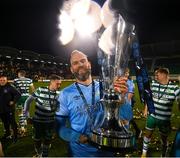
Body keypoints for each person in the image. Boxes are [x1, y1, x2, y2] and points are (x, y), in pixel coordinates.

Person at [55, 50, 128, 157]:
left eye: (83, 61)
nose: (80, 64)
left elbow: (127, 116)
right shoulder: (65, 94)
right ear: (71, 69)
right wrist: (77, 137)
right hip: (79, 153)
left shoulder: (107, 88)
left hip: (107, 151)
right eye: (75, 63)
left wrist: (123, 99)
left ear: (89, 64)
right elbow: (59, 127)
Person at [141, 68, 180, 157]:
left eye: (157, 75)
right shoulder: (154, 84)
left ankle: (163, 154)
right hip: (152, 116)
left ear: (164, 75)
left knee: (164, 139)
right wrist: (146, 109)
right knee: (147, 135)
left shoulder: (174, 88)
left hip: (164, 119)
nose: (155, 77)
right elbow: (149, 98)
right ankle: (144, 153)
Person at [24, 74, 61, 157]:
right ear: (51, 82)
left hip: (50, 122)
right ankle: (39, 153)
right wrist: (27, 115)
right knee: (37, 140)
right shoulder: (40, 90)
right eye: (57, 83)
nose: (59, 85)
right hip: (38, 121)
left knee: (48, 140)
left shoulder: (59, 94)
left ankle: (44, 155)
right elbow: (28, 101)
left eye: (60, 84)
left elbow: (59, 109)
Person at [13, 70, 35, 136]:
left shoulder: (16, 80)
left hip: (19, 98)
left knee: (20, 113)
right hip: (27, 98)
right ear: (24, 74)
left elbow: (14, 90)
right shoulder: (29, 80)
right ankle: (27, 123)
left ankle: (22, 129)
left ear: (19, 74)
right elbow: (33, 89)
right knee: (26, 111)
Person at [0, 74, 21, 142]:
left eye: (4, 80)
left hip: (9, 109)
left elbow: (18, 94)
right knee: (5, 122)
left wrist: (13, 101)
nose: (2, 81)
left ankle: (15, 136)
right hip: (1, 109)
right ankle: (7, 133)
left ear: (6, 81)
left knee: (12, 122)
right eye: (1, 80)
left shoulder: (10, 87)